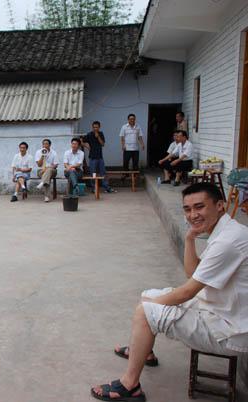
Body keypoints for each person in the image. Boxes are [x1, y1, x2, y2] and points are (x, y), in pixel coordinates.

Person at [91, 183, 248, 401]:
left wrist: (151, 309)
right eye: (187, 209)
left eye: (200, 207)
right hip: (219, 308)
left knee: (145, 311)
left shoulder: (228, 241)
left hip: (230, 330)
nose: (193, 215)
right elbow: (192, 273)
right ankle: (143, 350)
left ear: (220, 205)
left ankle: (130, 385)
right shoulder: (226, 230)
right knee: (148, 295)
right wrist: (190, 237)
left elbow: (187, 292)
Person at [82, 121, 115, 193]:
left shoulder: (101, 134)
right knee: (93, 173)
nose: (95, 128)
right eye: (94, 127)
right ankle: (94, 188)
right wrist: (87, 146)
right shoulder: (89, 134)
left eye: (96, 127)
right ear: (92, 127)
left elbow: (102, 144)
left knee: (103, 173)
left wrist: (98, 137)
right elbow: (81, 140)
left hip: (100, 157)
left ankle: (106, 187)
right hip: (92, 158)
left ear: (99, 127)